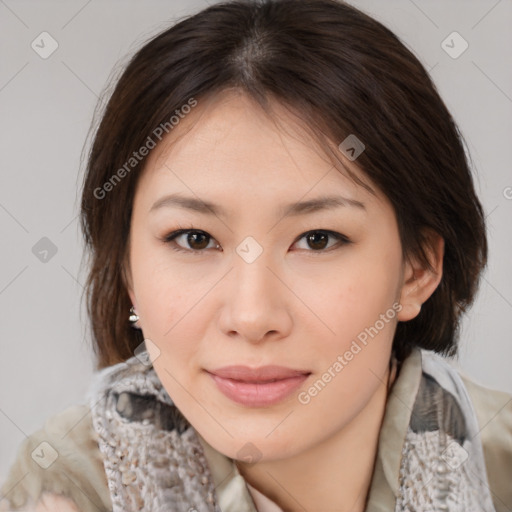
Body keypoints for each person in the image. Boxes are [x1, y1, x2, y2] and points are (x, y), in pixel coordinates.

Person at [1, 0, 511, 511]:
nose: (252, 316)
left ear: (417, 268)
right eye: (195, 239)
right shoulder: (65, 487)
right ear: (128, 268)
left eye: (317, 239)